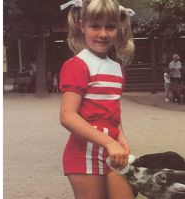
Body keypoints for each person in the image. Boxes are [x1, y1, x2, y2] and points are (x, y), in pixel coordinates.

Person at [59, 0, 135, 198]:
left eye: (110, 27)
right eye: (95, 26)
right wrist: (109, 143)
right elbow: (68, 116)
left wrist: (121, 138)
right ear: (82, 25)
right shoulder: (77, 65)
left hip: (112, 150)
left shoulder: (117, 68)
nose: (103, 34)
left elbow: (113, 113)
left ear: (118, 28)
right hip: (84, 152)